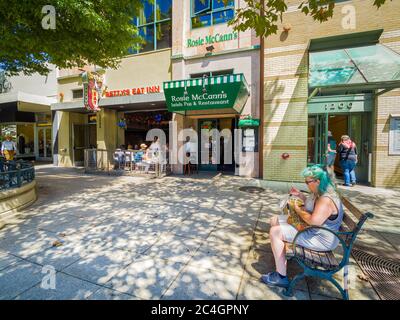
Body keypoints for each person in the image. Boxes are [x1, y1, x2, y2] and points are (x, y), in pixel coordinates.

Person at [261, 165, 344, 288]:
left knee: (275, 232)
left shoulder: (326, 199)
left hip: (320, 239)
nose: (306, 184)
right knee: (275, 220)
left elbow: (313, 221)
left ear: (318, 181)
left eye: (308, 181)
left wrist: (297, 209)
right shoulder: (322, 191)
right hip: (316, 232)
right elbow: (311, 207)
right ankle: (281, 256)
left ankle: (281, 277)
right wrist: (300, 196)